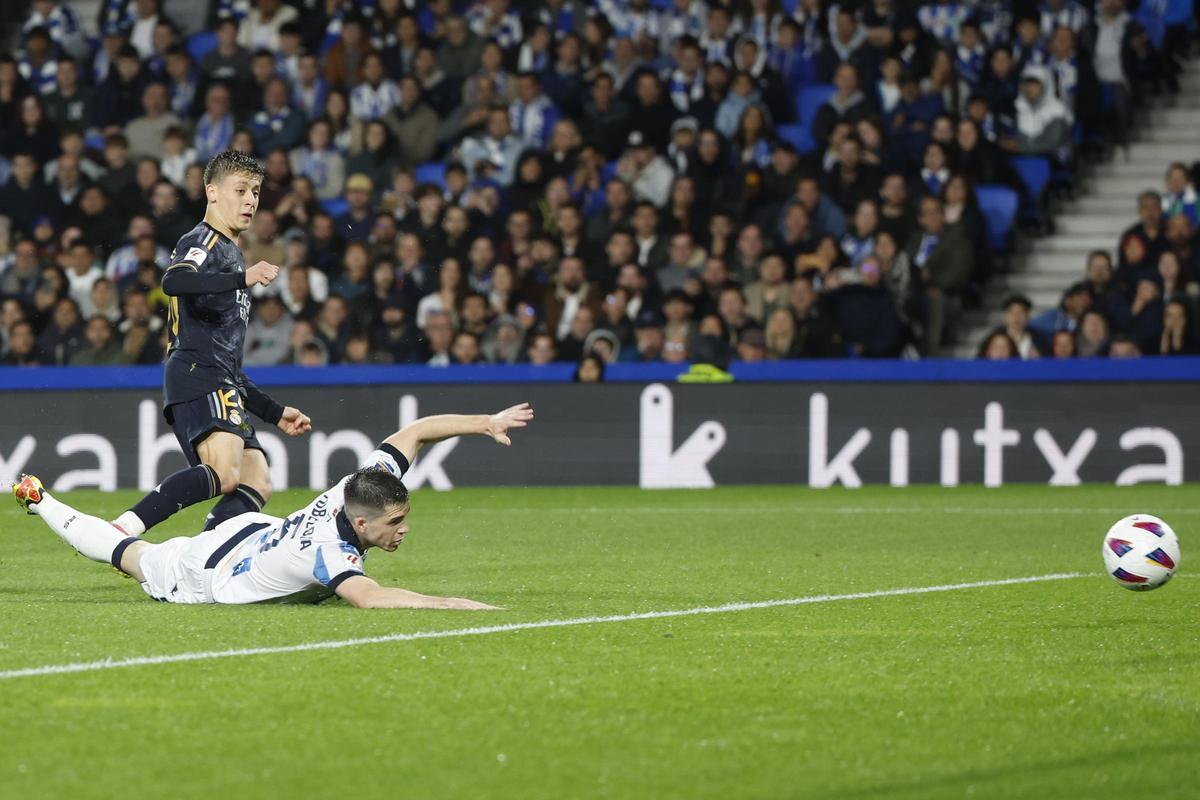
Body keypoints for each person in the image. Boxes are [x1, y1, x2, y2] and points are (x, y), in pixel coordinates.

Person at [11, 402, 534, 608]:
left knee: (256, 482)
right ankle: (40, 499)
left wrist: (485, 423)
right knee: (130, 555)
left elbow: (415, 432)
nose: (404, 530)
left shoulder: (358, 486)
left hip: (253, 533)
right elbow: (371, 599)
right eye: (395, 522)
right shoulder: (329, 553)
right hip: (208, 574)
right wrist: (454, 605)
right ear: (360, 522)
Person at [110, 150, 312, 544]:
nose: (250, 200)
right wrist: (242, 278)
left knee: (257, 480)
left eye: (256, 192)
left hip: (218, 376)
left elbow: (228, 357)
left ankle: (203, 555)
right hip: (196, 373)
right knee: (224, 472)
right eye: (240, 190)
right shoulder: (204, 239)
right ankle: (122, 530)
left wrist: (273, 412)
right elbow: (174, 281)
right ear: (212, 192)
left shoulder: (231, 254)